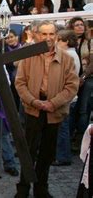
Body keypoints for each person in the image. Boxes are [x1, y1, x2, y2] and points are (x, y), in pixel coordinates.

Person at [15, 20, 79, 198]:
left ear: (57, 36)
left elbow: (72, 86)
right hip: (32, 109)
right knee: (29, 151)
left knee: (47, 152)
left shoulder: (66, 58)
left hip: (54, 110)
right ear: (36, 35)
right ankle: (23, 188)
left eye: (51, 34)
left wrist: (54, 103)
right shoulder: (28, 56)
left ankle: (41, 188)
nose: (48, 38)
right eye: (44, 34)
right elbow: (20, 83)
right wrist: (33, 101)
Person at [53, 29, 81, 166]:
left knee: (62, 128)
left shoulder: (68, 55)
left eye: (59, 40)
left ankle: (63, 156)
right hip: (69, 97)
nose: (56, 42)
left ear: (66, 42)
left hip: (66, 98)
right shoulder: (71, 54)